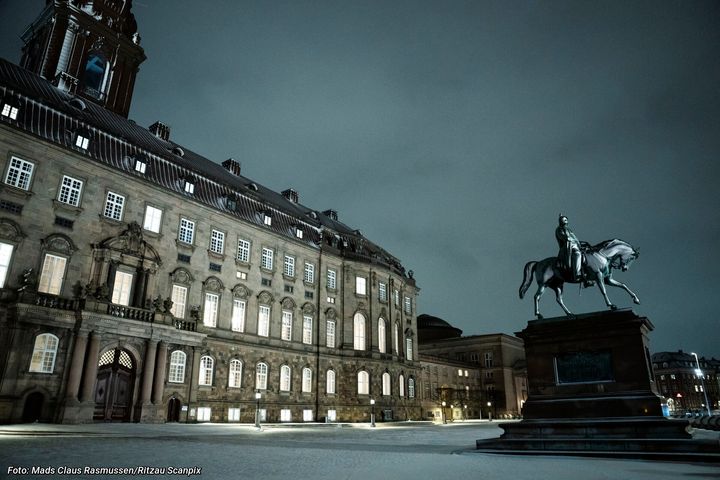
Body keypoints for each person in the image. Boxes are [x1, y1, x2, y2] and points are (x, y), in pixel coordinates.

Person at [555, 215, 582, 282]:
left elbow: (575, 238)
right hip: (566, 248)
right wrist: (572, 239)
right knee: (577, 254)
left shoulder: (569, 230)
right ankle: (577, 273)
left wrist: (578, 243)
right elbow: (566, 238)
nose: (565, 222)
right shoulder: (559, 229)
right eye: (564, 220)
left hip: (574, 246)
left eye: (566, 220)